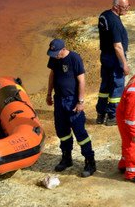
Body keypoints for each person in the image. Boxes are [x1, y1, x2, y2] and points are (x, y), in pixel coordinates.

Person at [45, 38, 96, 177]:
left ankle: (90, 162)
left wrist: (80, 101)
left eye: (56, 52)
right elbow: (52, 75)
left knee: (80, 133)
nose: (54, 55)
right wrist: (49, 93)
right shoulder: (54, 58)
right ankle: (66, 158)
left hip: (72, 101)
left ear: (63, 49)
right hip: (59, 100)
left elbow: (81, 80)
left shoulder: (74, 58)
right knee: (62, 132)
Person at [96, 0, 131, 125]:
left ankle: (101, 113)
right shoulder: (115, 22)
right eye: (125, 7)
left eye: (128, 6)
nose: (127, 9)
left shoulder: (104, 15)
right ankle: (112, 116)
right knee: (117, 86)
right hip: (115, 58)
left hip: (105, 56)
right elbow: (117, 46)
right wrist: (124, 64)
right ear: (116, 7)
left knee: (105, 85)